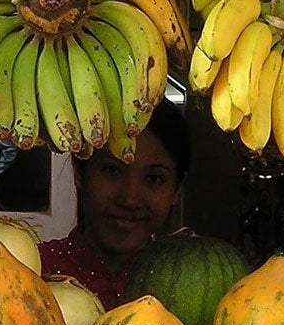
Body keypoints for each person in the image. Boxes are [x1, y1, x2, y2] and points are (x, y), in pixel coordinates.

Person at [39, 101, 191, 308]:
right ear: (80, 173)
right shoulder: (33, 270)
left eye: (154, 179)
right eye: (112, 171)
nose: (130, 198)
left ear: (177, 190)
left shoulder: (189, 288)